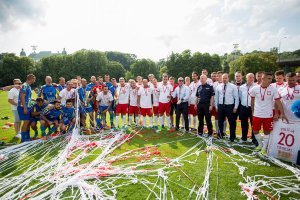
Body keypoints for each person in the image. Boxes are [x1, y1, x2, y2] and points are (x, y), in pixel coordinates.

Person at [250, 72, 288, 155]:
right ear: (262, 79)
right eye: (269, 78)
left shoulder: (273, 89)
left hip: (268, 114)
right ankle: (260, 144)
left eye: (271, 79)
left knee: (267, 131)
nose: (271, 80)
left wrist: (282, 113)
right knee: (255, 131)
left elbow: (278, 102)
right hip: (257, 114)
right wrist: (253, 111)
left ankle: (264, 148)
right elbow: (252, 100)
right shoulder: (254, 89)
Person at [215, 73, 239, 142]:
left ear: (228, 78)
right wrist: (216, 106)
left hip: (230, 106)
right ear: (221, 79)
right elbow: (216, 97)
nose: (224, 79)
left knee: (231, 122)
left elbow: (236, 97)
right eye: (223, 78)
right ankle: (220, 135)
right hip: (221, 106)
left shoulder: (233, 86)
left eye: (225, 78)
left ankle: (232, 137)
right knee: (220, 121)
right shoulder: (218, 86)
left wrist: (235, 107)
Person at [238, 73, 257, 145]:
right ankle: (244, 138)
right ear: (246, 78)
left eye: (252, 77)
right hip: (243, 107)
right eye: (250, 77)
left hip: (253, 108)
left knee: (254, 124)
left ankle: (254, 139)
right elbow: (240, 97)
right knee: (244, 124)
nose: (252, 79)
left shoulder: (257, 86)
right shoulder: (242, 87)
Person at [17, 74, 36, 142]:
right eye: (34, 79)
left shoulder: (28, 86)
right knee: (26, 122)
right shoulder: (24, 85)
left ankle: (27, 137)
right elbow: (22, 97)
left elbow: (29, 97)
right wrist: (25, 107)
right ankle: (23, 139)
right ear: (31, 79)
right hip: (23, 107)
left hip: (27, 107)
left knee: (28, 122)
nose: (34, 80)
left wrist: (36, 100)